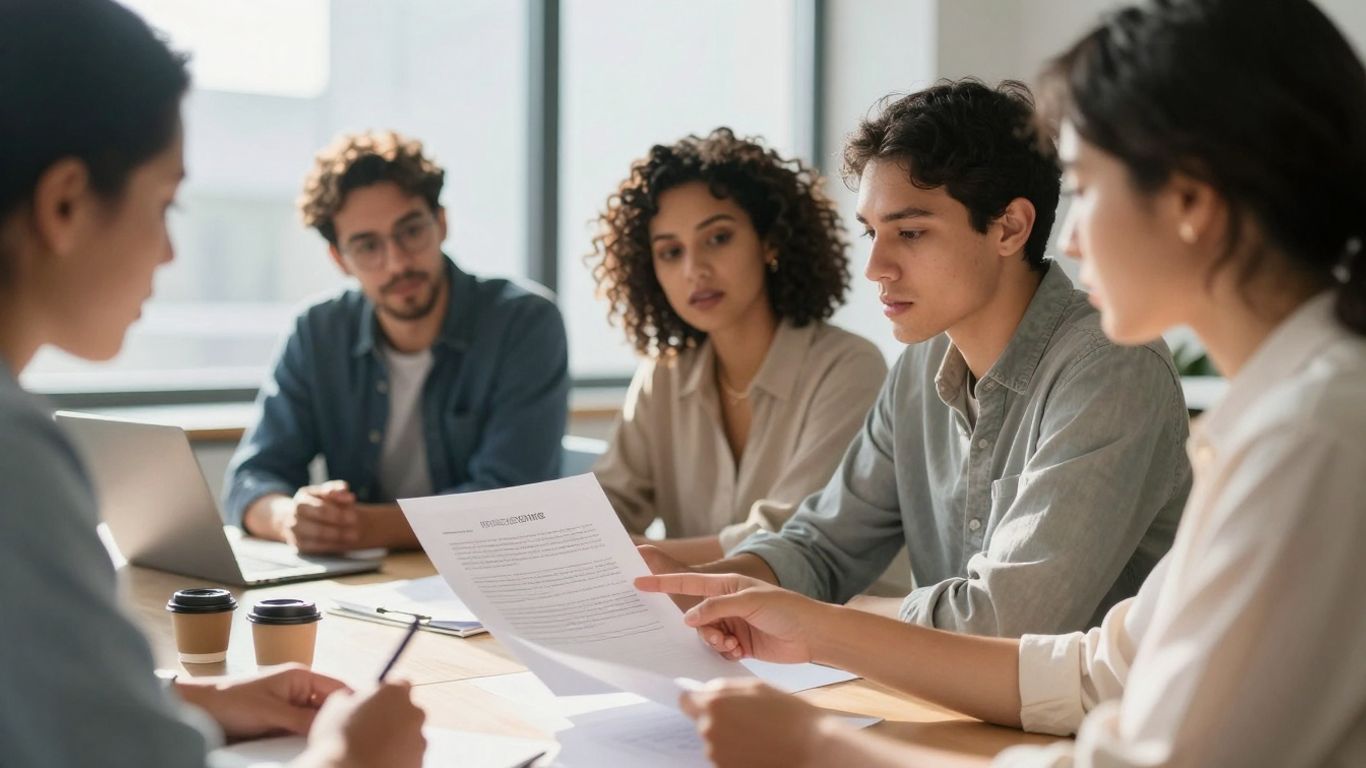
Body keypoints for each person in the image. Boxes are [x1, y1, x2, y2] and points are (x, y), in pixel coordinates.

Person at [638, 0, 1366, 765]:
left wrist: (825, 745)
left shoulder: (1309, 434)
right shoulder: (1283, 416)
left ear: (1190, 203)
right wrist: (786, 616)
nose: (1075, 235)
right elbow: (1097, 670)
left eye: (1088, 188)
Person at [0, 1, 425, 765]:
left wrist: (184, 696)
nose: (168, 252)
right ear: (65, 203)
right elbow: (259, 474)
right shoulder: (13, 454)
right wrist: (355, 756)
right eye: (165, 202)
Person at [643, 79, 1191, 637]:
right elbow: (822, 546)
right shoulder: (921, 365)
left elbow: (1007, 624)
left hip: (1093, 722)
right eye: (871, 234)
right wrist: (699, 587)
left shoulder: (1112, 369)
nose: (876, 267)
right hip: (958, 714)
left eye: (909, 232)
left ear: (1010, 227)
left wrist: (822, 621)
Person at [223, 130, 569, 554]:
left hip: (492, 577)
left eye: (410, 231)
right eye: (367, 246)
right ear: (340, 260)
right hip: (367, 586)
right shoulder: (318, 331)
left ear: (441, 223)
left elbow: (511, 501)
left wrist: (362, 528)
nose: (398, 262)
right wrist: (291, 518)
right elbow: (251, 477)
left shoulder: (524, 322)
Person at [586, 128, 890, 567]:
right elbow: (608, 504)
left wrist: (637, 556)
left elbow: (793, 535)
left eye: (718, 238)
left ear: (768, 241)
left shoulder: (849, 368)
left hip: (832, 622)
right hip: (701, 625)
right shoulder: (664, 375)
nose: (695, 270)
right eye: (670, 252)